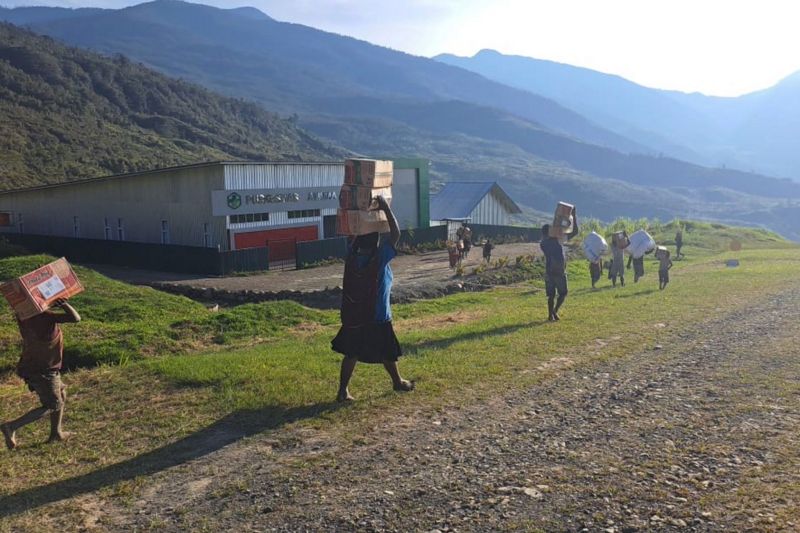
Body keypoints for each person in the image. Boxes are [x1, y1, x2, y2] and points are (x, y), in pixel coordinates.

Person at [331, 196, 414, 402]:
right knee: (387, 350)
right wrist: (384, 207)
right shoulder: (379, 257)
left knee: (352, 352)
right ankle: (397, 382)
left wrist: (357, 211)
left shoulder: (352, 255)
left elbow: (351, 234)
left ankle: (343, 391)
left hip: (356, 314)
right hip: (377, 315)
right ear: (375, 243)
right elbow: (395, 234)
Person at [2, 299, 81, 450]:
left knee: (61, 393)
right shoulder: (46, 317)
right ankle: (11, 426)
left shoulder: (23, 317)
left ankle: (56, 433)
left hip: (34, 365)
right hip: (43, 369)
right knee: (53, 404)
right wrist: (63, 304)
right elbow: (76, 318)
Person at [539, 205, 579, 321]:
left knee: (550, 295)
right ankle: (555, 311)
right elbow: (575, 231)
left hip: (549, 271)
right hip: (559, 271)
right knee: (563, 293)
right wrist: (574, 216)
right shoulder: (558, 240)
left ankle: (550, 315)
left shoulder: (543, 243)